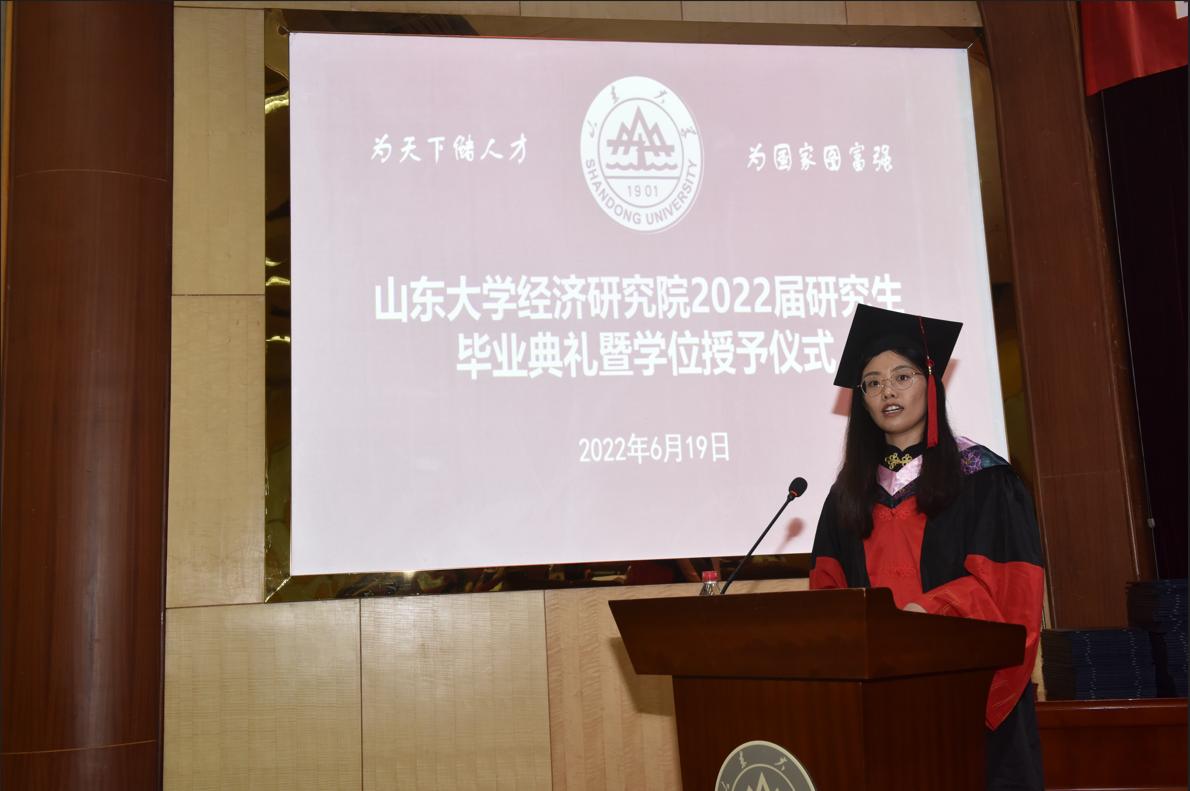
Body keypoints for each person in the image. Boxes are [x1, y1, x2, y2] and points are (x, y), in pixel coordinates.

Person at [810, 304, 1045, 790]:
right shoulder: (847, 496)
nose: (887, 391)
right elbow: (826, 598)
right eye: (872, 383)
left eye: (902, 376)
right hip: (878, 707)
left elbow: (1013, 595)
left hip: (964, 703)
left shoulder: (985, 479)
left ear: (930, 384)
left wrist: (924, 615)